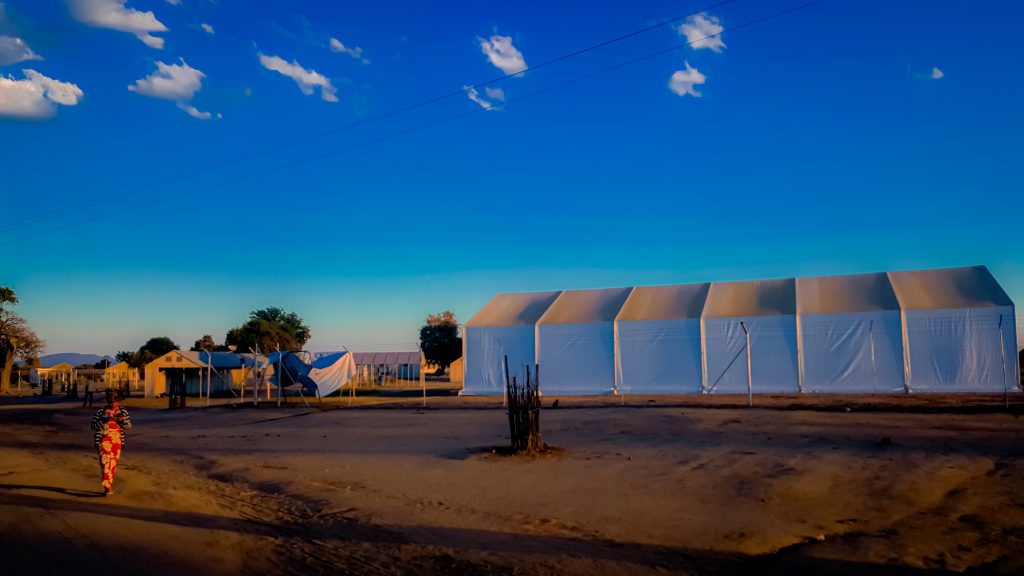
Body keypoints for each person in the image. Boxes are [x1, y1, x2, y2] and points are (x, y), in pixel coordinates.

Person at [91, 390, 132, 496]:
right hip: (102, 440)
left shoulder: (123, 412)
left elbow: (128, 426)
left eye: (115, 401)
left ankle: (107, 485)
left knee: (112, 465)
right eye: (111, 401)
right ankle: (107, 486)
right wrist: (104, 421)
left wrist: (121, 421)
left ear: (118, 401)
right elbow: (93, 426)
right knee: (105, 463)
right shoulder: (101, 411)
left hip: (116, 442)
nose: (113, 404)